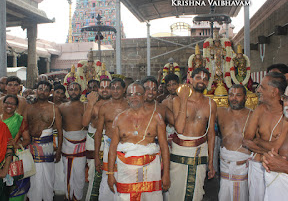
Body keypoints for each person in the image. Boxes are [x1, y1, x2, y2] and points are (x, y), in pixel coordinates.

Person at [108, 83, 170, 200]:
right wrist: (110, 174)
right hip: (126, 171)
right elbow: (112, 148)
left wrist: (166, 173)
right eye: (130, 94)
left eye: (137, 94)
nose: (134, 97)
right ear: (126, 97)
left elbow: (164, 146)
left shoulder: (156, 117)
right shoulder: (119, 119)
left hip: (151, 170)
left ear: (144, 95)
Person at [168, 67, 217, 201]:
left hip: (199, 152)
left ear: (208, 82)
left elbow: (211, 134)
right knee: (175, 191)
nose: (202, 81)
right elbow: (179, 129)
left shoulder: (211, 104)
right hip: (179, 151)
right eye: (198, 78)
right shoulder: (177, 100)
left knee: (197, 192)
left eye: (205, 79)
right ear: (190, 78)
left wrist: (211, 162)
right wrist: (184, 99)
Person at [243, 72, 287, 201]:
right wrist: (271, 152)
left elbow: (277, 148)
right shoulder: (260, 110)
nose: (258, 90)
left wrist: (257, 141)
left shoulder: (286, 114)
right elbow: (246, 140)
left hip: (281, 173)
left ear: (274, 92)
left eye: (262, 87)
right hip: (257, 166)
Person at [25, 81, 62, 201]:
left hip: (47, 147)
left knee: (48, 177)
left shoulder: (54, 108)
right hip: (30, 147)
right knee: (32, 177)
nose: (42, 92)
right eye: (40, 89)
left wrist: (59, 150)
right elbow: (23, 127)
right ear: (36, 90)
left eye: (46, 90)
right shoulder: (28, 106)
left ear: (50, 92)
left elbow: (60, 131)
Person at [94, 78, 129, 201]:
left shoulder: (130, 105)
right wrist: (97, 156)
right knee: (107, 178)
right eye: (112, 88)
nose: (115, 91)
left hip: (127, 149)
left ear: (124, 89)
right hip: (109, 148)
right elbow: (98, 133)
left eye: (118, 88)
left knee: (126, 178)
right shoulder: (104, 107)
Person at [217, 84, 252, 201]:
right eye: (231, 94)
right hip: (225, 163)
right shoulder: (220, 112)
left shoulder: (253, 115)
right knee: (224, 195)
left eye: (238, 95)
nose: (234, 98)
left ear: (245, 97)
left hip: (243, 164)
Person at [82, 78, 111, 201]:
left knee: (111, 172)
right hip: (94, 141)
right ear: (98, 89)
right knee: (94, 173)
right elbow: (84, 123)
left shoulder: (118, 104)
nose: (104, 90)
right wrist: (90, 104)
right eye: (102, 87)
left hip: (111, 141)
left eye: (107, 87)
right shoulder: (93, 105)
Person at [0, 94, 31, 201]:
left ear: (16, 107)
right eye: (7, 102)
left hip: (14, 159)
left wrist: (17, 145)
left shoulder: (20, 120)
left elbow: (27, 139)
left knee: (15, 189)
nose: (9, 105)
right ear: (2, 104)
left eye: (13, 104)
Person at [59, 82, 87, 201]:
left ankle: (78, 197)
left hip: (82, 143)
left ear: (80, 92)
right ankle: (68, 196)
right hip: (67, 144)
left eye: (76, 89)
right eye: (71, 89)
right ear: (67, 91)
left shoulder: (86, 106)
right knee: (67, 173)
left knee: (80, 174)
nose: (73, 91)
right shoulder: (62, 107)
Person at [262, 86, 288, 200]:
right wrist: (269, 159)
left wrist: (285, 167)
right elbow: (275, 150)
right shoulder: (286, 121)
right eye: (286, 98)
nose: (287, 104)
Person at [52, 84, 67, 195]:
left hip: (61, 136)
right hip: (47, 137)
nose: (59, 95)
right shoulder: (47, 104)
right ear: (53, 91)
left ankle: (59, 189)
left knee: (59, 163)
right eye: (57, 92)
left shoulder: (65, 106)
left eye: (62, 93)